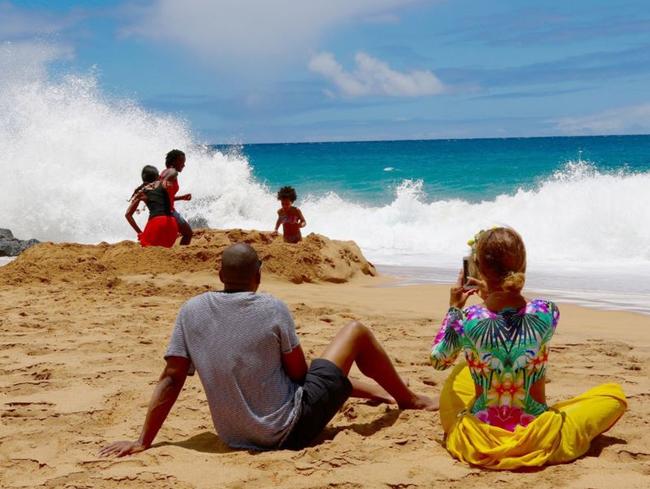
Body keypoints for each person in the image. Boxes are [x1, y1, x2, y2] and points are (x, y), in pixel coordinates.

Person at [99, 243, 436, 457]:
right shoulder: (271, 308)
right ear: (258, 276)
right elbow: (300, 376)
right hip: (290, 430)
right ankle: (409, 399)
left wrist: (143, 440)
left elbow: (172, 378)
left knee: (319, 374)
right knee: (355, 332)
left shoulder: (190, 311)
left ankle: (384, 394)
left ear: (220, 274)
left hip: (235, 435)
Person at [430, 227, 627, 470]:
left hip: (479, 440)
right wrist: (492, 293)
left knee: (459, 373)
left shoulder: (467, 318)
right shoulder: (547, 312)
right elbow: (512, 317)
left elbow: (439, 360)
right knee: (614, 395)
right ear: (523, 267)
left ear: (479, 269)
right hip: (539, 436)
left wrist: (454, 309)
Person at [125, 165, 179, 248]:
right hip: (172, 226)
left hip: (156, 225)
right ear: (158, 176)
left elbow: (128, 215)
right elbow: (174, 171)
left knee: (146, 249)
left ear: (143, 179)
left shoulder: (142, 191)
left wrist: (140, 233)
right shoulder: (164, 184)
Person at [160, 149, 193, 245]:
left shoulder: (166, 172)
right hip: (168, 211)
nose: (184, 165)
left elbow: (166, 196)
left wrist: (182, 197)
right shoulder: (172, 172)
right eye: (182, 162)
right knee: (188, 233)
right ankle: (182, 255)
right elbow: (162, 187)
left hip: (166, 210)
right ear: (174, 161)